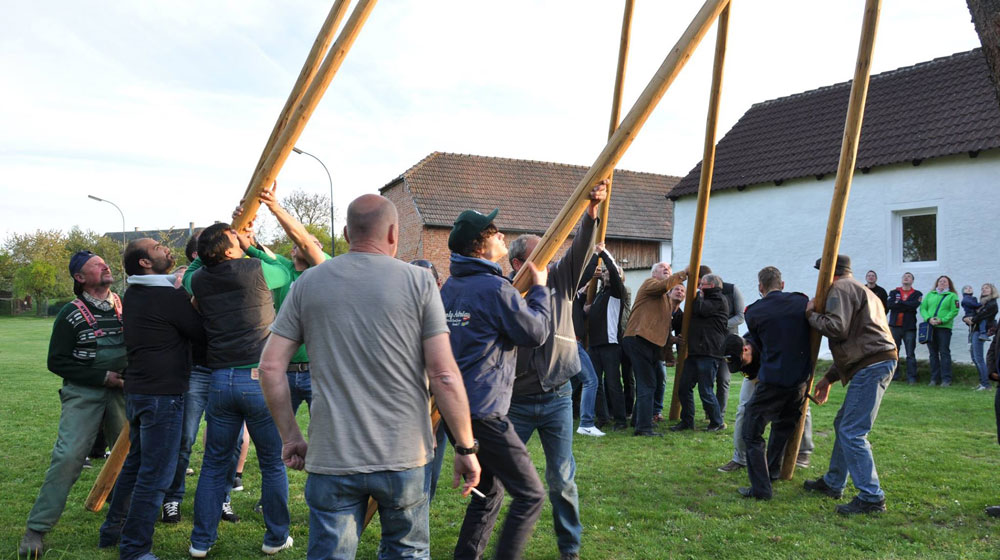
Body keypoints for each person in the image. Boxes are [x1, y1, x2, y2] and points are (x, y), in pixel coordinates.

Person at [259, 194, 482, 559]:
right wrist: (465, 447)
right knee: (406, 552)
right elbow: (443, 374)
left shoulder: (307, 283)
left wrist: (290, 436)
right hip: (404, 454)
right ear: (394, 233)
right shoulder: (420, 283)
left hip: (332, 455)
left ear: (346, 233)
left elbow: (269, 367)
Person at [506, 180, 606, 560]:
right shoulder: (507, 291)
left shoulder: (560, 280)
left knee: (562, 479)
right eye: (539, 255)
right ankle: (484, 544)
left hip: (557, 397)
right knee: (498, 478)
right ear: (518, 263)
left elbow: (580, 248)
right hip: (515, 401)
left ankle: (570, 550)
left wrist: (591, 210)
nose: (548, 260)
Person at [443, 203, 550, 560]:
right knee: (531, 494)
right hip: (485, 412)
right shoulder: (494, 288)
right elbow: (534, 332)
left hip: (453, 411)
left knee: (489, 493)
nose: (502, 235)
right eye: (494, 231)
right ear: (480, 246)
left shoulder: (449, 289)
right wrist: (539, 291)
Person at [183, 222, 294, 557]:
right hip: (258, 380)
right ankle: (275, 538)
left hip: (219, 380)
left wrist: (211, 250)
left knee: (214, 464)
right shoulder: (257, 269)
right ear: (230, 249)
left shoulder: (199, 280)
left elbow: (191, 271)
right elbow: (285, 271)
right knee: (273, 462)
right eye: (235, 240)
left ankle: (200, 542)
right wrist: (253, 246)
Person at [99, 238, 206, 559]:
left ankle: (113, 531)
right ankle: (134, 549)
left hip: (140, 392)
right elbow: (200, 332)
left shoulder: (135, 293)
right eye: (158, 247)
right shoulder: (165, 296)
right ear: (144, 262)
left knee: (135, 465)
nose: (165, 248)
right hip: (163, 395)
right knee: (155, 475)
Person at [19, 251, 127, 558]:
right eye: (95, 264)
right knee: (68, 457)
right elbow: (57, 361)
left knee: (130, 459)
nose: (104, 265)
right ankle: (36, 530)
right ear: (80, 278)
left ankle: (124, 521)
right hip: (83, 393)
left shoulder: (124, 304)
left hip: (123, 392)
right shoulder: (70, 313)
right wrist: (102, 377)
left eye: (104, 262)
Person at [802, 254, 897, 515]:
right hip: (873, 361)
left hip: (871, 364)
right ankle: (834, 482)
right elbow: (859, 338)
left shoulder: (840, 288)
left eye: (820, 274)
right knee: (843, 424)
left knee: (853, 431)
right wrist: (829, 378)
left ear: (828, 274)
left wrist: (811, 314)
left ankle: (871, 497)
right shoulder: (863, 290)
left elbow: (837, 328)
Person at [161, 231, 241, 525]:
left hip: (226, 369)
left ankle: (222, 498)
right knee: (185, 439)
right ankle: (172, 498)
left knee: (229, 442)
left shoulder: (232, 280)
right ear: (199, 257)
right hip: (197, 370)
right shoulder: (186, 285)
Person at [737, 266, 812, 500]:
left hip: (774, 379)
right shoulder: (801, 302)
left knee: (751, 431)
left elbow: (757, 345)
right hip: (800, 380)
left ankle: (761, 488)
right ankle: (773, 471)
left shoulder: (754, 312)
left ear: (760, 287)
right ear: (782, 284)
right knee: (782, 426)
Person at [624, 262, 688, 435]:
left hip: (649, 343)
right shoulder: (650, 283)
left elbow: (664, 328)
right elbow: (664, 286)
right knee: (648, 384)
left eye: (669, 269)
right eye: (663, 269)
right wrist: (683, 273)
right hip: (639, 339)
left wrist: (670, 352)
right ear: (654, 274)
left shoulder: (666, 299)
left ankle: (639, 420)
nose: (667, 269)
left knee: (651, 383)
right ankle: (643, 428)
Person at [672, 274, 729, 432]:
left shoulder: (718, 300)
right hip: (697, 351)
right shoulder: (705, 299)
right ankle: (687, 421)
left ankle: (717, 422)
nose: (698, 287)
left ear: (711, 286)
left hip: (709, 352)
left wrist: (696, 295)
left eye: (701, 284)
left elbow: (701, 309)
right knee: (684, 387)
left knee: (705, 389)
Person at [584, 244, 627, 433]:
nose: (608, 275)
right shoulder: (600, 294)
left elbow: (613, 272)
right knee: (595, 383)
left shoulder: (617, 292)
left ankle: (620, 420)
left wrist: (602, 252)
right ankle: (602, 417)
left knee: (613, 383)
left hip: (610, 345)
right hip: (594, 345)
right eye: (607, 274)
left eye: (613, 273)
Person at [699, 265, 745, 418]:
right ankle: (711, 413)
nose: (700, 286)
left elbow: (740, 316)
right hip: (710, 342)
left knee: (724, 379)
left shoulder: (732, 290)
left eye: (702, 283)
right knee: (708, 379)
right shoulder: (702, 294)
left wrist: (721, 323)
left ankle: (720, 414)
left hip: (728, 341)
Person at [921, 275, 959, 387]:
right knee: (933, 354)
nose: (942, 283)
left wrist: (942, 320)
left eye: (945, 282)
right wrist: (929, 319)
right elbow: (923, 308)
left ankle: (946, 379)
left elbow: (954, 311)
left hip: (944, 328)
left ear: (949, 284)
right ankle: (934, 379)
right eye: (940, 281)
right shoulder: (930, 294)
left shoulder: (952, 296)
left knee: (944, 352)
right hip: (930, 327)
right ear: (937, 283)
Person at [886, 272, 923, 383]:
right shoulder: (894, 292)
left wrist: (900, 303)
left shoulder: (917, 293)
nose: (906, 278)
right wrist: (905, 304)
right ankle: (894, 376)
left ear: (912, 280)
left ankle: (911, 377)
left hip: (909, 327)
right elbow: (890, 305)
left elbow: (914, 306)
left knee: (910, 353)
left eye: (909, 277)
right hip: (895, 326)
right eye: (904, 276)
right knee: (894, 352)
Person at [966, 283, 998, 390]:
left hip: (980, 333)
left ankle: (986, 384)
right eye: (982, 288)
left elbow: (981, 315)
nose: (984, 290)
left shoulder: (992, 304)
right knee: (974, 357)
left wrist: (972, 320)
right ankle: (982, 382)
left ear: (992, 290)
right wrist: (966, 319)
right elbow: (972, 314)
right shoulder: (981, 303)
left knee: (979, 358)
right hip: (975, 331)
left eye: (987, 288)